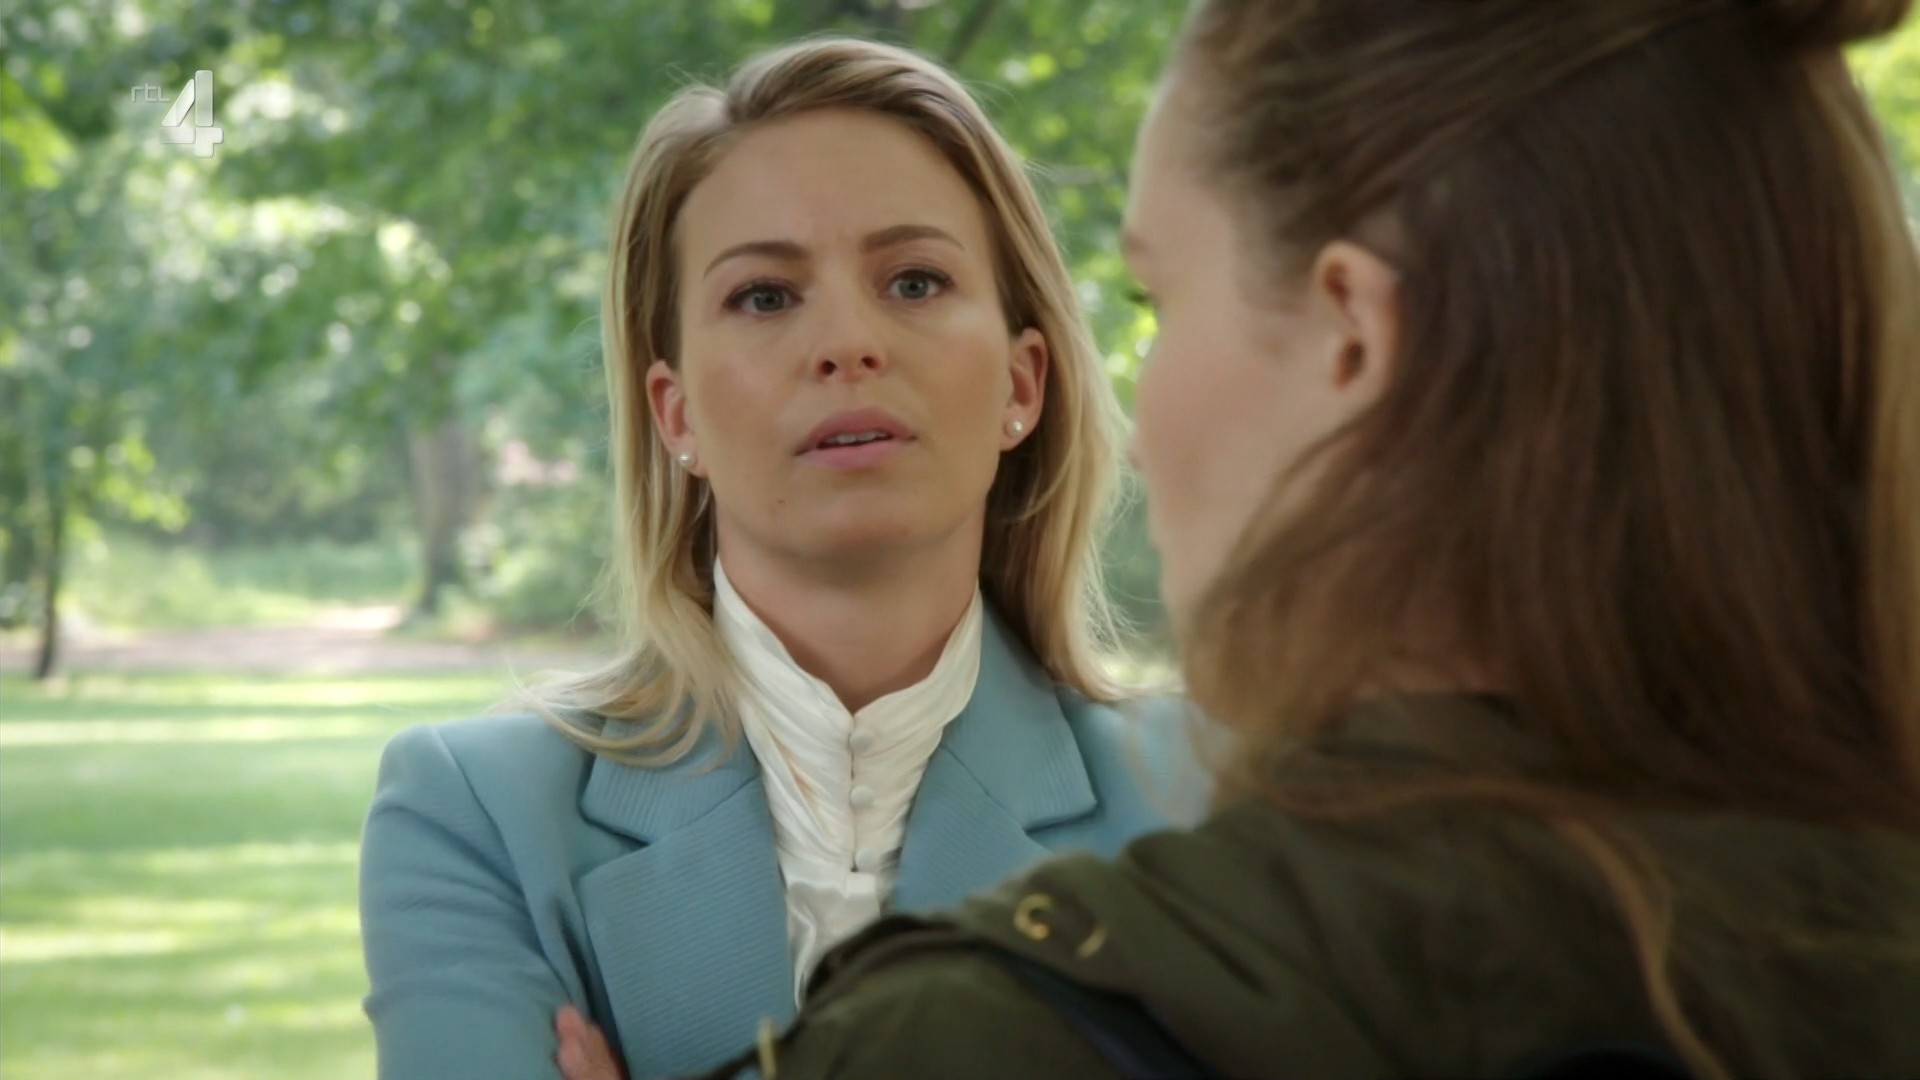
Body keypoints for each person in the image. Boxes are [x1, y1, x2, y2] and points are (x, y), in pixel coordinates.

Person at [632, 1, 1920, 1077]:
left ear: (1353, 335)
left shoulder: (981, 1033)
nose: (1140, 425)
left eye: (1162, 297)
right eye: (764, 294)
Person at [357, 37, 1202, 1080]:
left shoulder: (1207, 802)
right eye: (764, 296)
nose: (847, 342)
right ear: (676, 414)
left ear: (1022, 386)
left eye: (915, 281)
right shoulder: (476, 813)